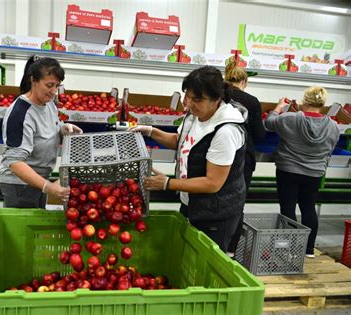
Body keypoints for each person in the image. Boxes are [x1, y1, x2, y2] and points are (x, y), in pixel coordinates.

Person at [131, 66, 248, 252]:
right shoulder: (194, 116)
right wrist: (151, 131)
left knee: (206, 260)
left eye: (197, 99)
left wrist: (168, 183)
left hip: (216, 213)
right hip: (193, 203)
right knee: (186, 252)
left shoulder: (225, 130)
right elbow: (180, 141)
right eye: (188, 96)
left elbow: (213, 183)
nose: (190, 104)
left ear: (217, 99)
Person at [264, 86, 340, 258]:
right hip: (314, 173)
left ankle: (287, 250)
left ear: (304, 100)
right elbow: (330, 148)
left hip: (288, 170)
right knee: (308, 207)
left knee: (288, 207)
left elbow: (268, 123)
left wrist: (278, 107)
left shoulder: (290, 119)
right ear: (323, 103)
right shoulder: (333, 126)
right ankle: (308, 250)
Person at [0, 56, 83, 208]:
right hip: (20, 185)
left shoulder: (48, 103)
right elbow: (15, 162)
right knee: (23, 229)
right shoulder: (21, 113)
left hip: (39, 179)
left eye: (57, 86)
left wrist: (62, 129)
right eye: (49, 85)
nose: (54, 92)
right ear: (33, 81)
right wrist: (49, 187)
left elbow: (47, 126)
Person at [224, 61, 266, 257]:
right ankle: (231, 249)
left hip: (219, 154)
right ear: (244, 81)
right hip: (243, 158)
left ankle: (212, 244)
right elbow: (259, 135)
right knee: (237, 201)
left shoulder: (217, 95)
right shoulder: (252, 101)